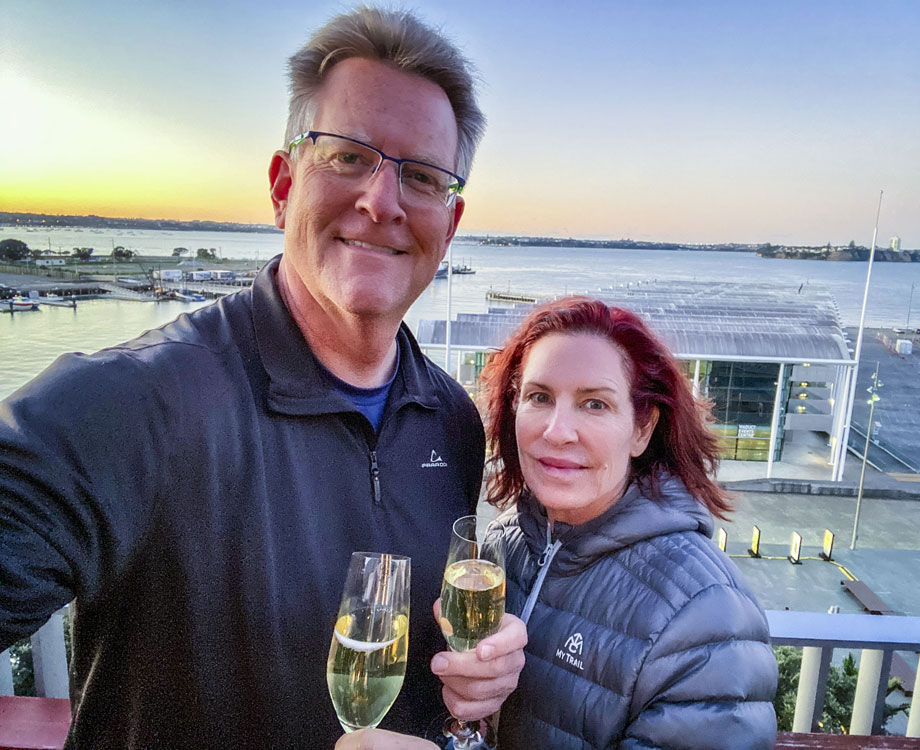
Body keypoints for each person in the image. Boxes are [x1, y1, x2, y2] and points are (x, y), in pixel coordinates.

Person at [0, 8, 525, 749]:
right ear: (283, 186)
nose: (382, 201)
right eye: (347, 156)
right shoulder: (135, 405)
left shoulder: (451, 419)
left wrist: (476, 683)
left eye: (423, 177)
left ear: (451, 221)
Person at [479, 297, 778, 749]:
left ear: (642, 429)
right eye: (539, 397)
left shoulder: (707, 617)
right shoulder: (505, 544)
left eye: (594, 404)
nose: (557, 431)